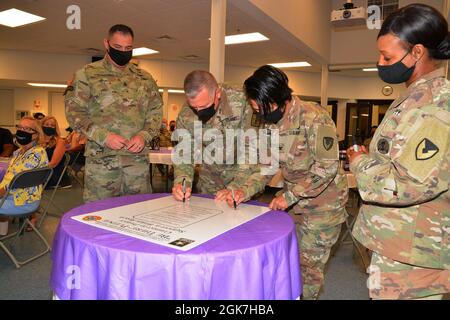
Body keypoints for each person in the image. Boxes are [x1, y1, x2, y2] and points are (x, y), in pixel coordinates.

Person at [347, 3, 450, 300]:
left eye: (387, 56)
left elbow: (409, 184)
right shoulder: (414, 97)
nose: (380, 62)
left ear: (417, 52)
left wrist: (359, 162)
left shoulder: (433, 106)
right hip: (400, 244)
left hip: (414, 253)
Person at [225, 65, 348, 300]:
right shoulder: (270, 125)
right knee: (287, 260)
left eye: (260, 108)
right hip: (294, 204)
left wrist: (289, 197)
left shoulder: (314, 117)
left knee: (308, 270)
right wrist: (242, 191)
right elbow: (265, 168)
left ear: (276, 100)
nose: (257, 114)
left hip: (323, 207)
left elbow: (327, 167)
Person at [65, 24, 163, 202]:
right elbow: (74, 113)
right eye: (118, 47)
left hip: (137, 163)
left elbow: (155, 112)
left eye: (128, 48)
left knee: (138, 214)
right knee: (99, 216)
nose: (123, 52)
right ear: (106, 43)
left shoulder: (145, 78)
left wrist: (144, 135)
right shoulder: (86, 74)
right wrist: (103, 136)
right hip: (102, 162)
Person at [171, 70, 258, 201]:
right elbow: (185, 153)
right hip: (210, 179)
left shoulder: (243, 99)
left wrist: (236, 186)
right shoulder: (186, 114)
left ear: (217, 93)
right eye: (194, 107)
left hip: (242, 176)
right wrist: (182, 182)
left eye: (205, 106)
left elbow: (251, 148)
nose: (199, 112)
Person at [0, 117, 48, 235]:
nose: (22, 131)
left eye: (27, 129)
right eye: (20, 127)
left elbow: (13, 183)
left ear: (36, 135)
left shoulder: (37, 153)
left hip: (20, 202)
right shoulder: (20, 152)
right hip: (13, 199)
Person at [41, 116, 72, 189]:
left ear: (55, 128)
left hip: (52, 175)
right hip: (41, 172)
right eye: (47, 125)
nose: (49, 127)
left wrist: (35, 172)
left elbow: (53, 164)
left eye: (52, 125)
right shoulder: (38, 141)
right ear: (41, 126)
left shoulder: (60, 142)